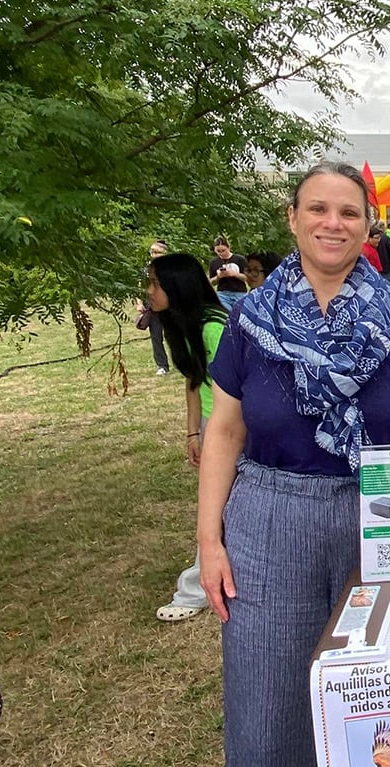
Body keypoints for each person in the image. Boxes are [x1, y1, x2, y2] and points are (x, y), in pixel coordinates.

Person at [196, 161, 390, 767]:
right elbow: (224, 432)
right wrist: (209, 541)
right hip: (269, 517)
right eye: (318, 209)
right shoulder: (251, 319)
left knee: (384, 689)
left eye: (349, 212)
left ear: (368, 225)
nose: (333, 223)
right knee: (267, 699)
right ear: (293, 218)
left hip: (381, 508)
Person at [149, 253, 230, 622]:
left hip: (230, 427)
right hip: (214, 424)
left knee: (214, 510)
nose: (149, 292)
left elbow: (235, 394)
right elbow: (194, 382)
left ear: (176, 287)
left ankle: (195, 590)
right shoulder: (181, 325)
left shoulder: (213, 328)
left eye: (155, 284)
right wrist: (192, 432)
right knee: (220, 508)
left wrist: (215, 435)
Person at [141, 240, 172, 376]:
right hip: (153, 306)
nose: (154, 255)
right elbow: (141, 286)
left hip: (170, 305)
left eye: (157, 252)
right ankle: (162, 365)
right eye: (152, 252)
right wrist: (139, 303)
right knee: (156, 336)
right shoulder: (146, 269)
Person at [208, 237, 249, 312]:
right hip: (223, 294)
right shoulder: (213, 262)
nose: (221, 253)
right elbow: (211, 282)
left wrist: (235, 274)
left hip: (240, 293)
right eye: (218, 251)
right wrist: (218, 277)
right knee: (226, 315)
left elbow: (247, 277)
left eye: (223, 250)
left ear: (228, 248)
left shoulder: (240, 259)